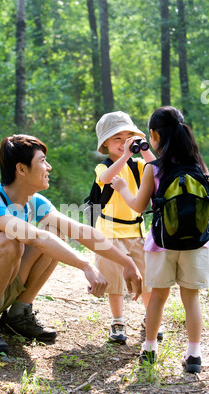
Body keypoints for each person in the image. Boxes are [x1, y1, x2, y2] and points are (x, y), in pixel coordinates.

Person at [0, 134, 142, 355]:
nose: (49, 167)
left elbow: (82, 231)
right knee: (11, 239)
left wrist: (126, 262)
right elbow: (35, 238)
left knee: (55, 231)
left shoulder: (33, 202)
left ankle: (18, 314)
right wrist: (86, 265)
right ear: (21, 169)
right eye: (42, 161)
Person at [111, 106, 209, 373]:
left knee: (157, 298)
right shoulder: (199, 165)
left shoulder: (152, 169)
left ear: (153, 135)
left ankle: (150, 348)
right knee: (191, 300)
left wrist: (121, 188)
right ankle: (194, 356)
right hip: (197, 243)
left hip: (161, 244)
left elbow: (138, 207)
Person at [93, 111, 161, 345]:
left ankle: (149, 317)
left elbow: (157, 168)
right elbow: (106, 179)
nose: (123, 144)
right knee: (114, 282)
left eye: (128, 138)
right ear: (105, 144)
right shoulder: (103, 167)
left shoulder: (139, 165)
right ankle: (118, 320)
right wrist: (124, 157)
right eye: (117, 139)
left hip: (135, 231)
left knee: (146, 279)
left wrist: (142, 149)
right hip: (109, 233)